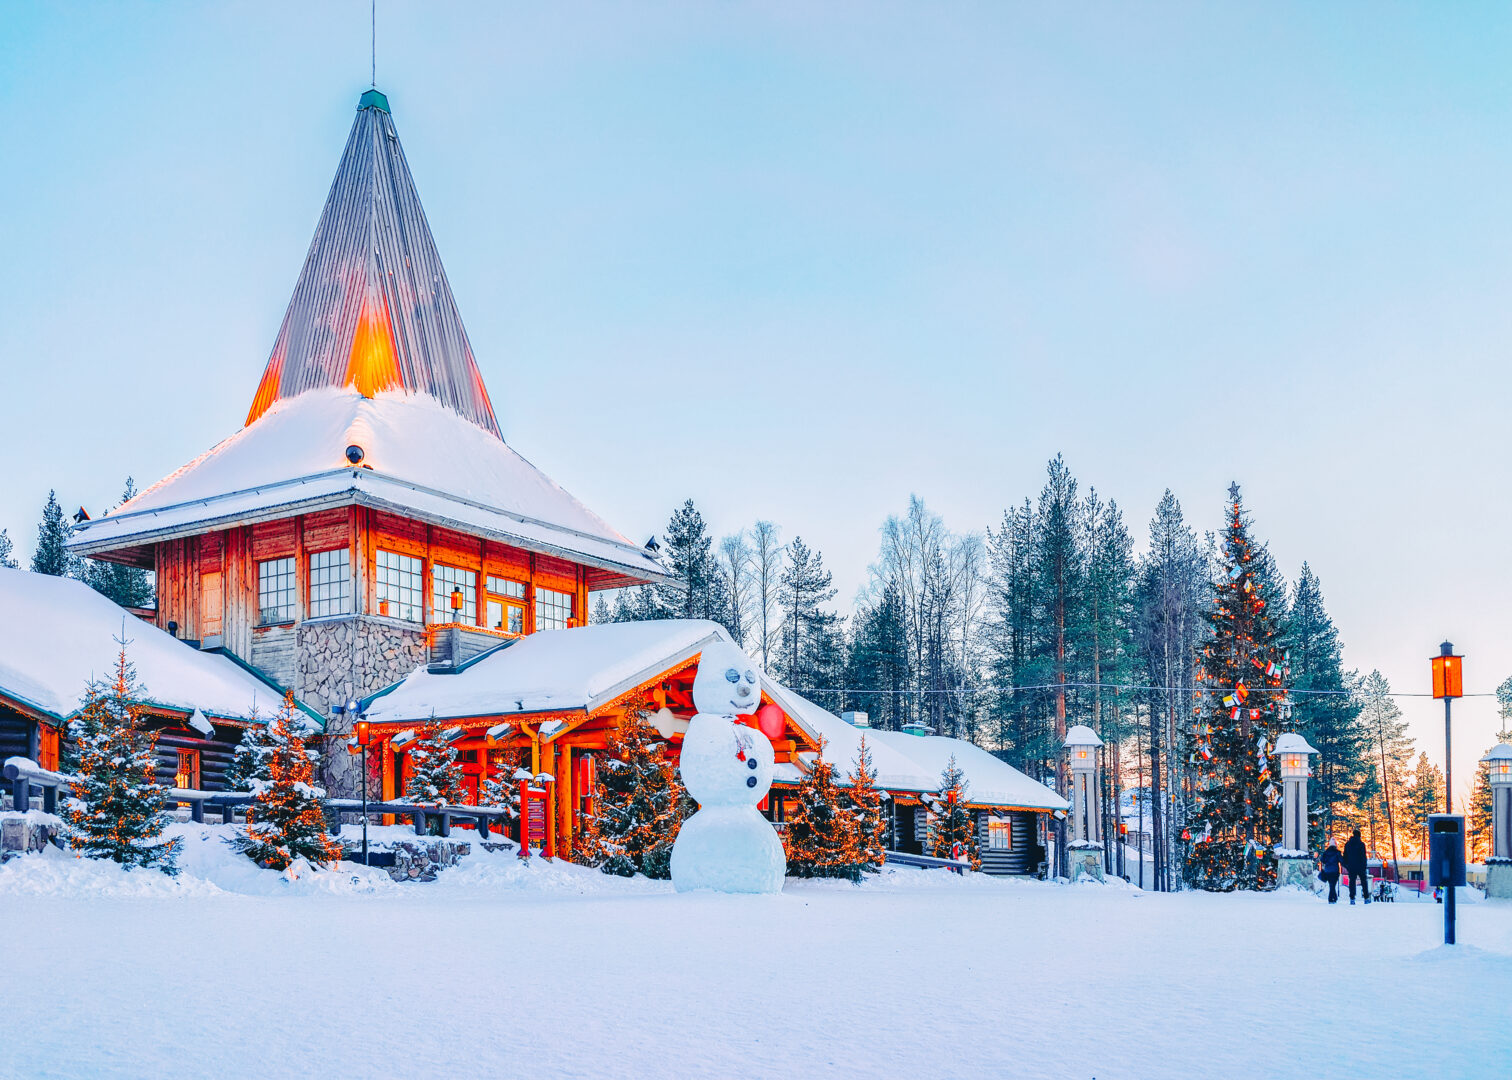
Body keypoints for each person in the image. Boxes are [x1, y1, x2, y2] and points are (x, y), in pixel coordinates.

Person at [1343, 828, 1370, 905]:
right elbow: (1363, 856)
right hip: (1361, 866)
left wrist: (1347, 865)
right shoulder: (1361, 844)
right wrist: (1364, 866)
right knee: (1364, 882)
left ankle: (1352, 898)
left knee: (1352, 882)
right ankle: (1366, 898)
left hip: (1351, 866)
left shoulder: (1347, 844)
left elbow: (1345, 856)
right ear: (1359, 836)